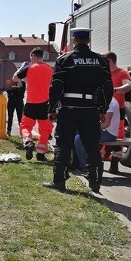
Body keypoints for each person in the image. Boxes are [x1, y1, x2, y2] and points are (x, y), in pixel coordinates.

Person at [45, 27, 113, 193]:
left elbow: (56, 87)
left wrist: (51, 108)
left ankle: (59, 180)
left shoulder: (65, 60)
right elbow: (107, 88)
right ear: (88, 40)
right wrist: (103, 108)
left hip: (69, 109)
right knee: (91, 145)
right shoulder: (101, 61)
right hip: (90, 109)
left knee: (63, 143)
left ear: (74, 40)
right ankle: (95, 182)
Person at [13, 48, 54, 161]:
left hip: (31, 103)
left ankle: (28, 142)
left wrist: (21, 69)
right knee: (45, 129)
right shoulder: (49, 69)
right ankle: (41, 154)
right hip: (45, 103)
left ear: (33, 56)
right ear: (42, 56)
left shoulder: (29, 68)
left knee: (26, 126)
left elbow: (15, 78)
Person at [74, 96, 119, 171]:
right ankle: (77, 162)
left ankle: (84, 165)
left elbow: (106, 124)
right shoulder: (103, 100)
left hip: (109, 133)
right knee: (76, 131)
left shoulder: (111, 103)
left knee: (78, 139)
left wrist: (90, 129)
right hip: (103, 130)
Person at [104, 51, 131, 173]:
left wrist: (115, 90)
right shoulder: (104, 73)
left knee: (117, 138)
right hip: (105, 109)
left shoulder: (122, 72)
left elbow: (128, 86)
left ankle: (114, 165)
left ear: (110, 61)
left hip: (118, 110)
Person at [6, 69, 25, 136]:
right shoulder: (10, 82)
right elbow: (8, 91)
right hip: (11, 101)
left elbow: (22, 93)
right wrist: (12, 89)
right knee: (10, 117)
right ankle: (8, 131)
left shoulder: (22, 83)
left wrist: (17, 88)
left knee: (20, 117)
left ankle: (22, 132)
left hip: (19, 102)